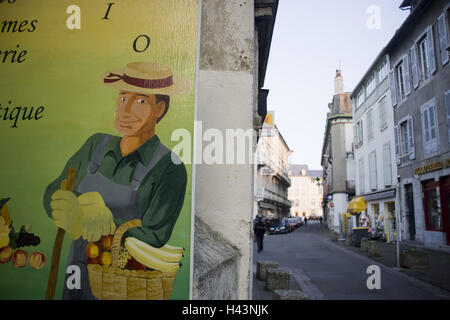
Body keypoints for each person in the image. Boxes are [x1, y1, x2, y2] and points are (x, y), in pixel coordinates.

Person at [43, 62, 191, 299]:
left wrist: (108, 222)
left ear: (159, 109)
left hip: (124, 285)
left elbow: (155, 236)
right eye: (123, 97)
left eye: (141, 101)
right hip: (76, 278)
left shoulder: (169, 168)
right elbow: (53, 190)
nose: (126, 110)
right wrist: (69, 205)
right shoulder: (95, 146)